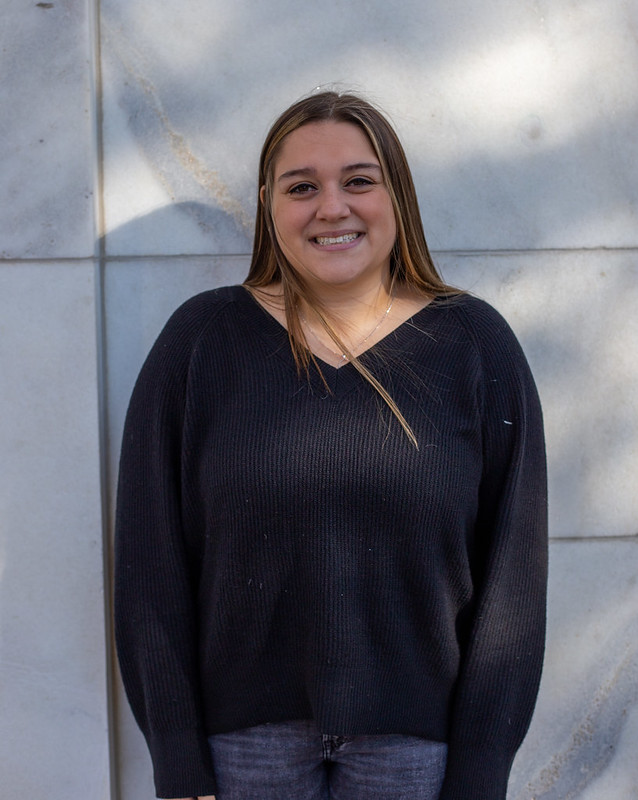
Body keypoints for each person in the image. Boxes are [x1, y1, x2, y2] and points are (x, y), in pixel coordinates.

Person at [114, 90, 548, 800]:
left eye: (358, 180)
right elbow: (149, 568)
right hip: (240, 753)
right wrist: (178, 762)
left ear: (395, 195)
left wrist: (481, 768)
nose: (331, 207)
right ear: (268, 203)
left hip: (417, 753)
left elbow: (513, 580)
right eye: (302, 187)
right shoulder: (199, 342)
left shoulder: (474, 345)